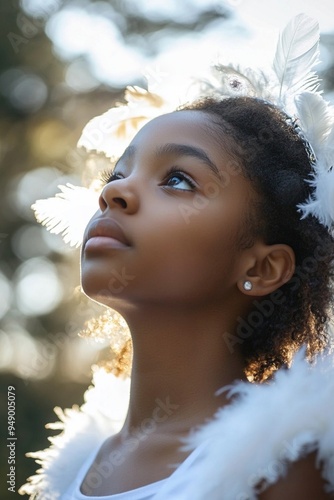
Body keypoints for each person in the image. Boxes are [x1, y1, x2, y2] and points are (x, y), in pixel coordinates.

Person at [20, 14, 334, 499]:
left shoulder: (283, 465)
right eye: (115, 176)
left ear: (262, 268)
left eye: (178, 180)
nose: (116, 192)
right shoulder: (73, 469)